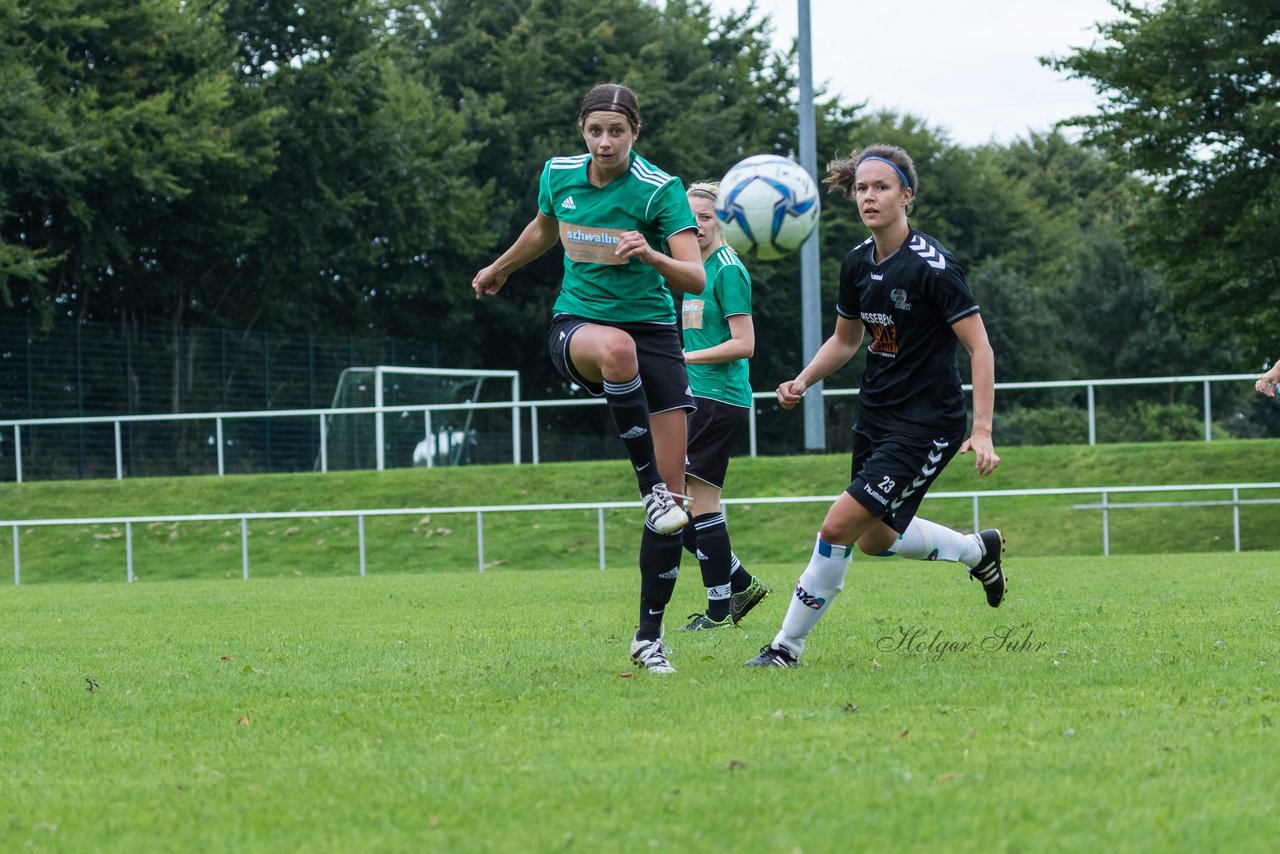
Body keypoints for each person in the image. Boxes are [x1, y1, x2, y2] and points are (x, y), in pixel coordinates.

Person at [472, 83, 704, 674]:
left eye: (616, 132)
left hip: (655, 334)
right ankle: (648, 486)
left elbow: (695, 278)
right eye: (595, 130)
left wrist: (651, 255)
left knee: (680, 501)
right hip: (579, 326)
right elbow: (545, 229)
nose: (605, 142)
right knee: (617, 350)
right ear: (583, 130)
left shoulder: (660, 191)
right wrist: (500, 268)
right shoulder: (558, 174)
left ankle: (649, 638)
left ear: (635, 133)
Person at [745, 144, 1006, 669]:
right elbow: (846, 341)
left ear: (906, 195)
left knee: (837, 528)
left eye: (881, 187)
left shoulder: (935, 268)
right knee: (875, 540)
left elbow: (979, 347)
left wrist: (981, 430)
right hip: (877, 417)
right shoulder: (857, 262)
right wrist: (803, 379)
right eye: (861, 188)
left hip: (926, 425)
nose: (869, 196)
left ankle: (784, 648)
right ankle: (979, 551)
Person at [676, 181, 770, 631]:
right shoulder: (690, 266)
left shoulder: (728, 269)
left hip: (719, 400)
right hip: (694, 398)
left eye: (706, 216)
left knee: (696, 504)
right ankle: (741, 582)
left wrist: (685, 357)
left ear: (723, 222)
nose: (696, 223)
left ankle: (718, 612)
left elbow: (745, 344)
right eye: (689, 215)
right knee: (670, 505)